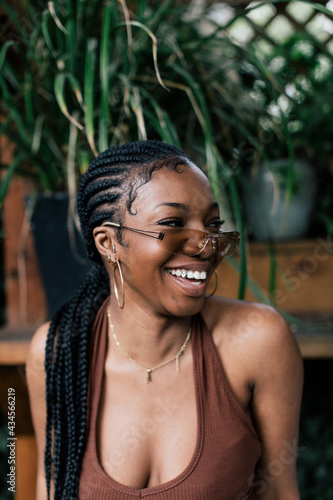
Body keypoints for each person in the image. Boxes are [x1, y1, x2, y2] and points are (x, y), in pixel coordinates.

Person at [27, 140, 303, 499]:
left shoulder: (257, 341)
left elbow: (281, 492)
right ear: (108, 243)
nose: (206, 243)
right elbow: (49, 491)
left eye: (212, 223)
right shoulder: (58, 351)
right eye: (173, 222)